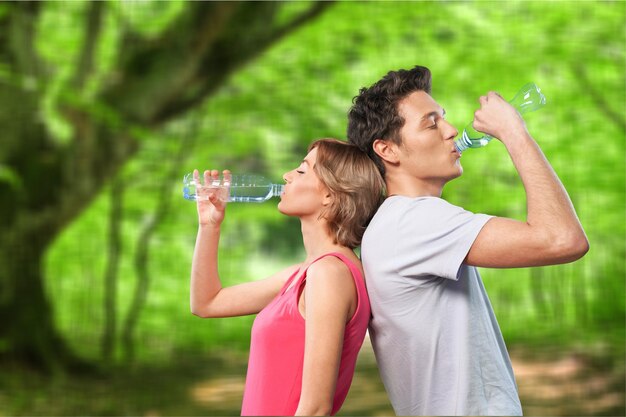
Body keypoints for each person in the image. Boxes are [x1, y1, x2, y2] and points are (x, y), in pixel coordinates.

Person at [347, 66, 589, 416]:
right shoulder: (412, 221)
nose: (450, 131)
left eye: (444, 118)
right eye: (431, 123)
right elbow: (562, 239)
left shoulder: (404, 221)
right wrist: (513, 132)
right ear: (387, 150)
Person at [189, 138, 385, 416]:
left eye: (302, 171)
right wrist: (209, 226)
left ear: (330, 194)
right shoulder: (304, 274)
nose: (286, 175)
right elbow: (206, 303)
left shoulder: (330, 274)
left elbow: (316, 408)